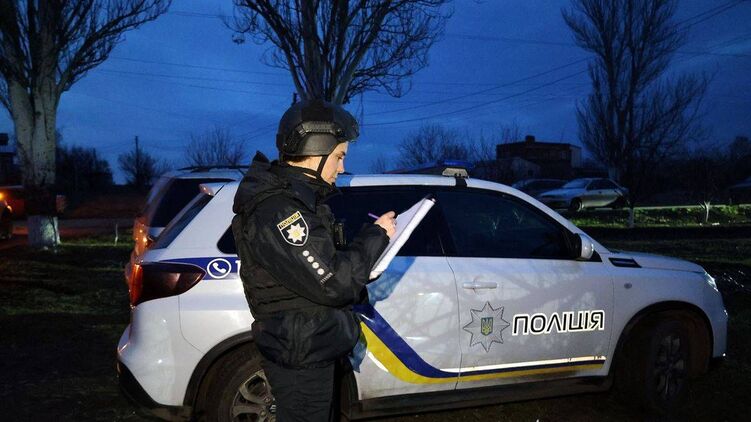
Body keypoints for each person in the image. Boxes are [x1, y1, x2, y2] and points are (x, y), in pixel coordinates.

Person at [231, 98, 396, 421]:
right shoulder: (281, 211)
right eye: (339, 157)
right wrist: (376, 236)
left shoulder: (297, 202)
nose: (342, 168)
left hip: (307, 347)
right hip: (300, 355)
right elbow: (334, 282)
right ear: (315, 151)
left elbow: (319, 270)